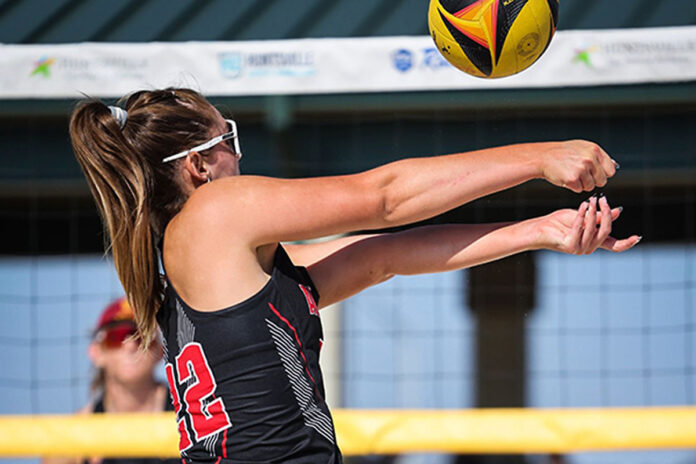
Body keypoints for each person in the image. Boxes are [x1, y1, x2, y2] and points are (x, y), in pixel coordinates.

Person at [69, 88, 640, 463]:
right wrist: (541, 157)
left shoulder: (216, 265)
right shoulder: (214, 212)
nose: (241, 160)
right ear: (198, 165)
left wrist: (542, 230)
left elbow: (384, 256)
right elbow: (384, 198)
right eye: (229, 141)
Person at [42, 297, 180, 464]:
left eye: (140, 336)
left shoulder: (192, 418)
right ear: (96, 352)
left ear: (160, 351)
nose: (129, 345)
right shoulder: (71, 437)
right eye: (115, 337)